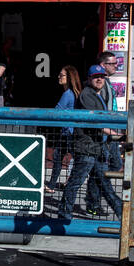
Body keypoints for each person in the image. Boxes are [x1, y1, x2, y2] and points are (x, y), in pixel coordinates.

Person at [58, 66, 122, 220]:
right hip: (86, 147)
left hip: (97, 147)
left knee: (105, 184)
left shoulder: (97, 94)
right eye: (95, 77)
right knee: (76, 182)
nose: (99, 79)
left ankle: (122, 213)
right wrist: (116, 135)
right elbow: (95, 121)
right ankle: (64, 214)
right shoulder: (87, 95)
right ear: (89, 79)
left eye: (102, 76)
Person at [47, 64, 80, 192]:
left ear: (69, 77)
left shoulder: (67, 94)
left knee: (59, 158)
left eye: (62, 75)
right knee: (60, 157)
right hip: (70, 131)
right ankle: (54, 184)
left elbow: (57, 111)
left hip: (68, 132)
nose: (58, 77)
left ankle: (55, 185)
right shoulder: (73, 93)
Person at [97, 50, 123, 173]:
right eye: (112, 63)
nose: (116, 66)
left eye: (116, 63)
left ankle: (95, 192)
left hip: (109, 129)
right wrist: (106, 129)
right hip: (105, 130)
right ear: (103, 65)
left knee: (109, 164)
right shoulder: (101, 85)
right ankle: (105, 192)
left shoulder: (107, 83)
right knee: (109, 164)